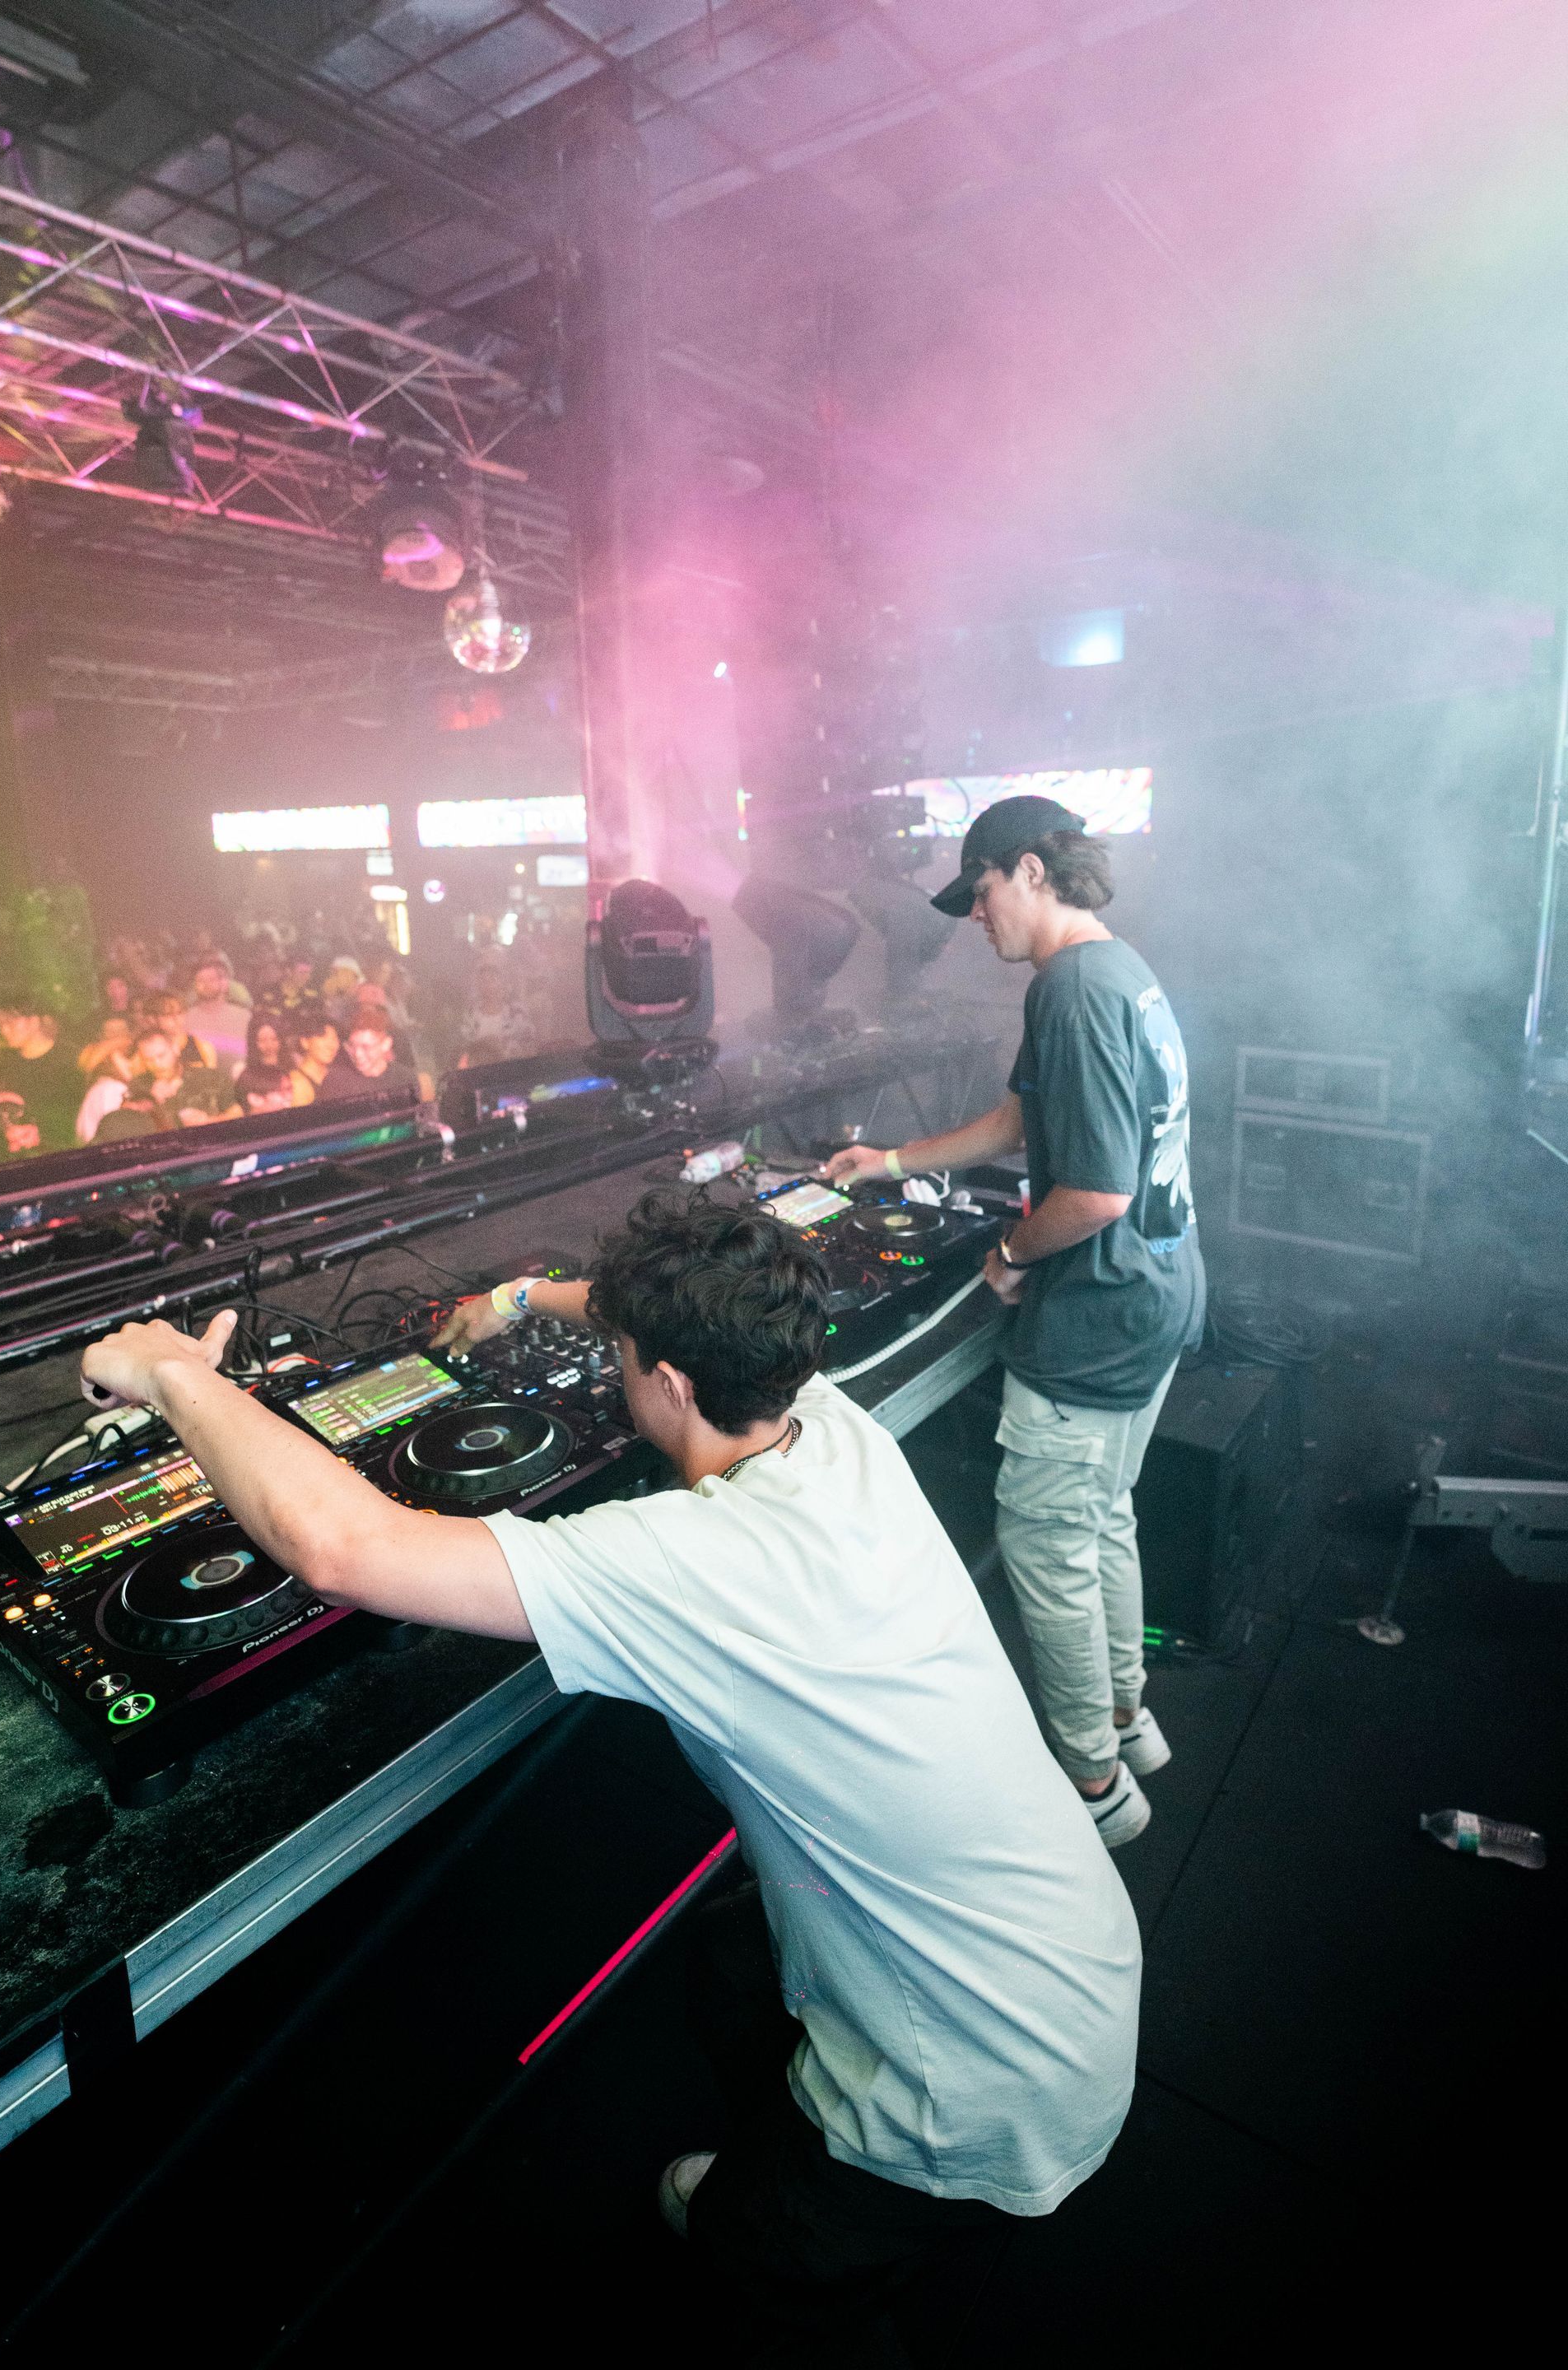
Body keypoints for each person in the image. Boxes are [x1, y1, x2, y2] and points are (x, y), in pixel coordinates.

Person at [81, 1194, 1140, 2366]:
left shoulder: (696, 1563)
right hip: (1077, 1951)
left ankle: (782, 2217)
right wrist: (520, 1298)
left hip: (976, 2081)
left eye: (624, 1351)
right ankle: (782, 2148)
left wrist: (175, 1375)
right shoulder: (825, 1421)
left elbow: (345, 1549)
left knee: (778, 2291)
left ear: (669, 1381)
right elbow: (659, 1321)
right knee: (729, 1955)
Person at [826, 794, 1206, 1850]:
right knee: (1103, 1517)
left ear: (1032, 869)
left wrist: (1009, 1254)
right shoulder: (1119, 970)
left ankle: (1093, 1788)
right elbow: (1025, 1117)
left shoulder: (1069, 988)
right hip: (1161, 1291)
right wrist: (891, 1160)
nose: (974, 915)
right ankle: (1126, 1721)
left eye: (981, 890)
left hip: (1099, 1314)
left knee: (1045, 1540)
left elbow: (1094, 1192)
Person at [0, 995, 83, 1157]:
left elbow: (74, 1115)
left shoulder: (69, 1058)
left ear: (34, 1022)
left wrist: (37, 1129)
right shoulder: (4, 1062)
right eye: (0, 1024)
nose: (3, 1030)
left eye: (9, 1022)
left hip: (59, 1152)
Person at [314, 1015, 416, 1105]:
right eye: (351, 1046)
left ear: (386, 1044)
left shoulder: (405, 1079)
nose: (357, 1054)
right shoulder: (336, 1082)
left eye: (366, 1047)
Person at [179, 955, 250, 1068]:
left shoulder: (245, 1018)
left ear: (224, 983)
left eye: (211, 980)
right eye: (200, 980)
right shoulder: (185, 1018)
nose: (205, 985)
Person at [288, 1003, 338, 1105]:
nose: (331, 1045)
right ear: (305, 1042)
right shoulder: (297, 1083)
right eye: (323, 1037)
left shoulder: (336, 1075)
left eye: (334, 1038)